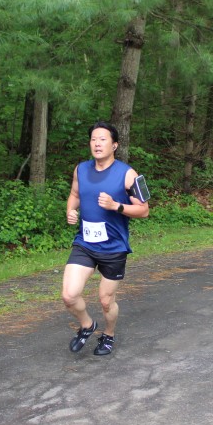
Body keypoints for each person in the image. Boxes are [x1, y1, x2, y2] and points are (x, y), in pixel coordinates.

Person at [62, 122, 149, 356]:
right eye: (93, 139)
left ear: (115, 145)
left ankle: (108, 335)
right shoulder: (81, 169)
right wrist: (70, 210)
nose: (97, 143)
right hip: (85, 243)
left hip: (113, 247)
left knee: (106, 301)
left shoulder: (129, 174)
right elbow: (74, 194)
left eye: (103, 139)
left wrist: (116, 206)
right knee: (69, 295)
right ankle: (87, 325)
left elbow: (144, 210)